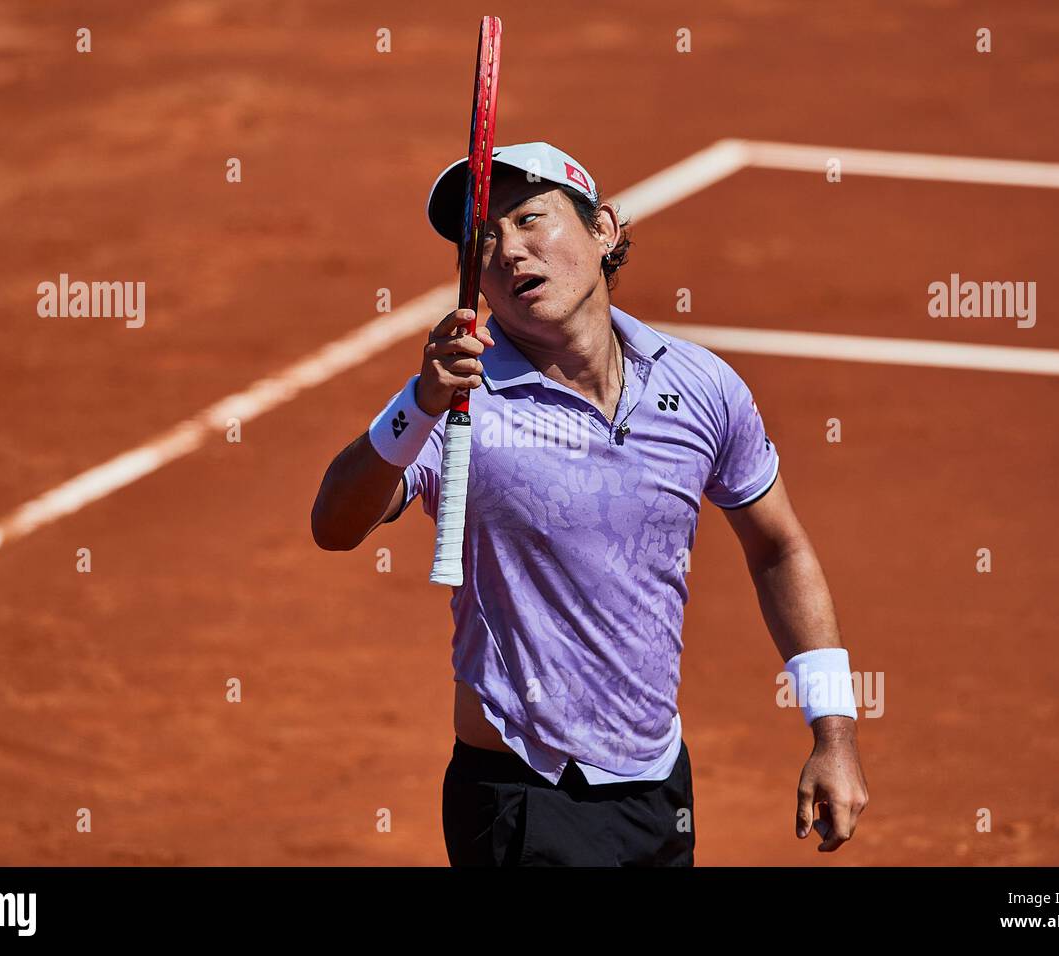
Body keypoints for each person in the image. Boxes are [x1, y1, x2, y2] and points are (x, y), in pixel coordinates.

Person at [311, 142, 868, 866]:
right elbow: (334, 523)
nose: (508, 250)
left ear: (603, 230)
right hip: (522, 800)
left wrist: (834, 730)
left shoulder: (700, 386)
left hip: (657, 783)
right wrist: (416, 404)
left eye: (529, 219)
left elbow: (778, 547)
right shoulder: (458, 402)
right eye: (482, 240)